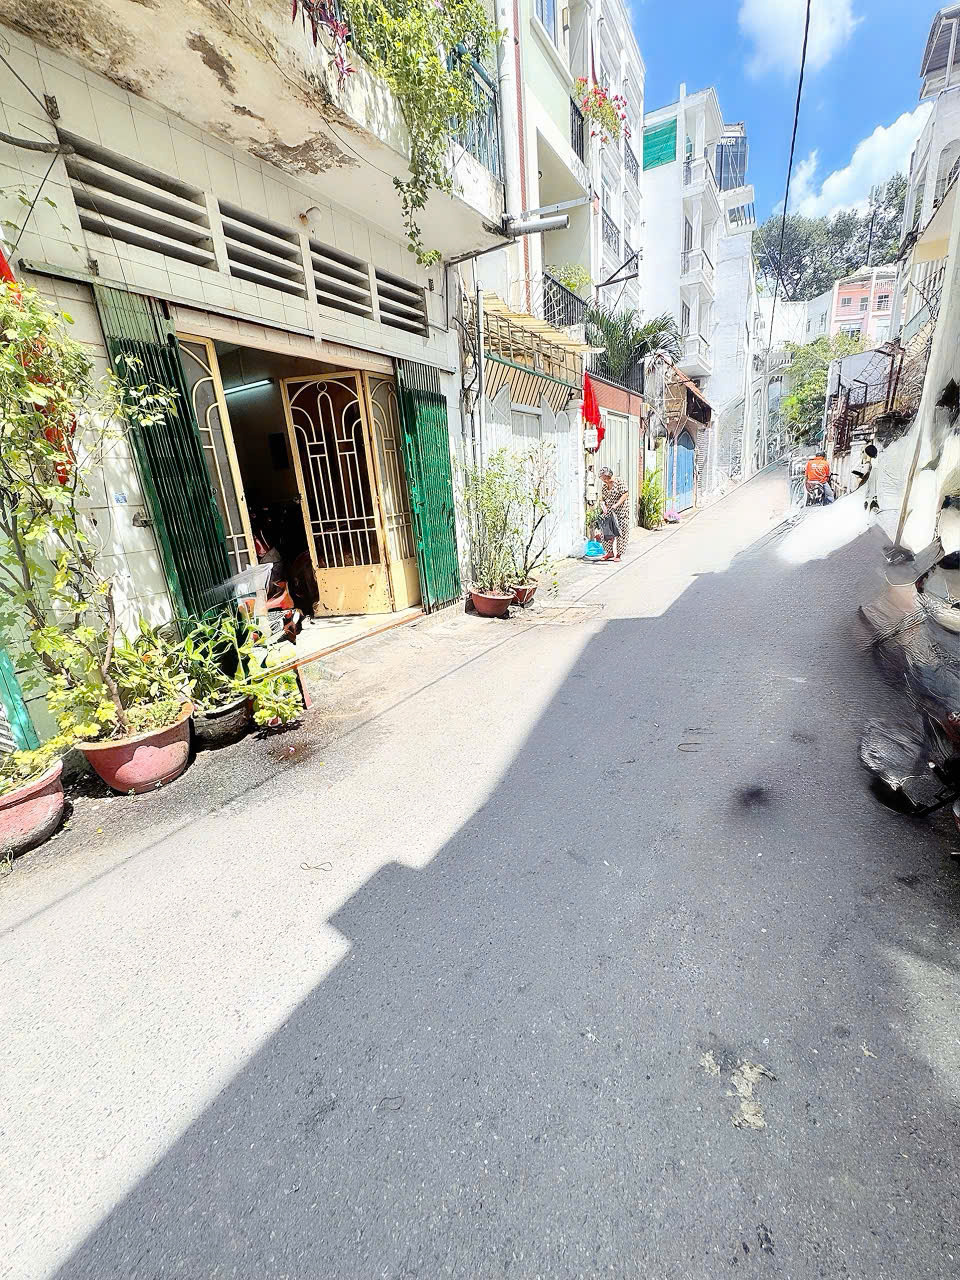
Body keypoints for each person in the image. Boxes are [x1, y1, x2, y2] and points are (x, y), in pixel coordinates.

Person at [598, 466, 629, 561]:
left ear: (608, 476)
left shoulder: (619, 482)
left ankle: (619, 554)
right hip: (609, 512)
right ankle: (609, 552)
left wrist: (616, 504)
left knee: (621, 532)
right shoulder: (604, 487)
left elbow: (625, 494)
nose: (603, 480)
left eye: (604, 478)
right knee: (606, 532)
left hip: (621, 512)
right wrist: (603, 504)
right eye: (602, 478)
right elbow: (602, 498)